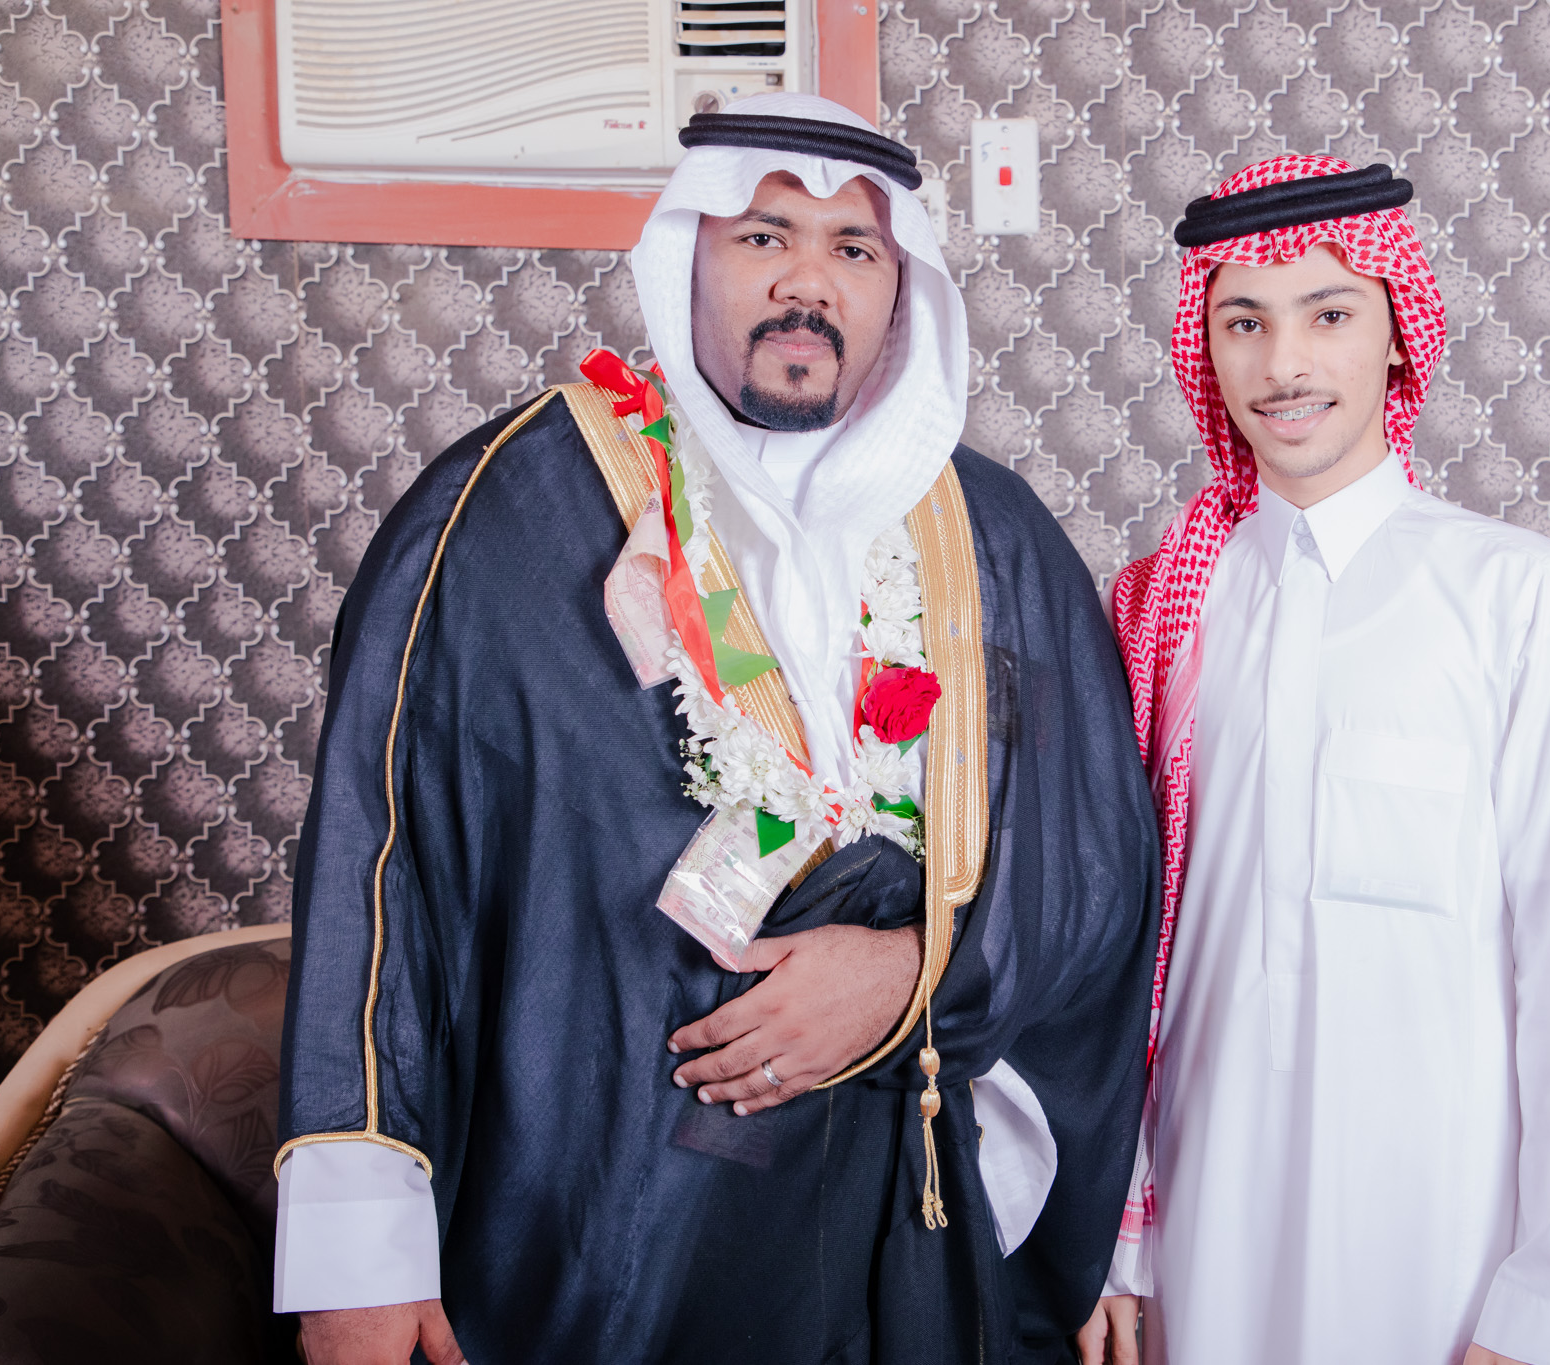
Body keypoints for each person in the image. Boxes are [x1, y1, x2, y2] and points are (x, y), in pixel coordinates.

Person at [276, 93, 1160, 1365]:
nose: (807, 282)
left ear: (898, 287)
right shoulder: (508, 514)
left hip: (894, 1234)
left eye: (852, 248)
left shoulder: (995, 541)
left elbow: (1092, 872)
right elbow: (382, 870)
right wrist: (359, 1254)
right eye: (761, 237)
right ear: (685, 256)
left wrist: (912, 978)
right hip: (596, 1230)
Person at [1083, 155, 1550, 1365]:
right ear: (1204, 352)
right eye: (1244, 323)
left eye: (1327, 315)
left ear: (1395, 338)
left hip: (1438, 1223)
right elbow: (1122, 958)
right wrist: (1113, 1244)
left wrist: (1545, 1301)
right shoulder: (1165, 604)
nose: (1284, 364)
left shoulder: (1516, 594)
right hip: (1203, 1216)